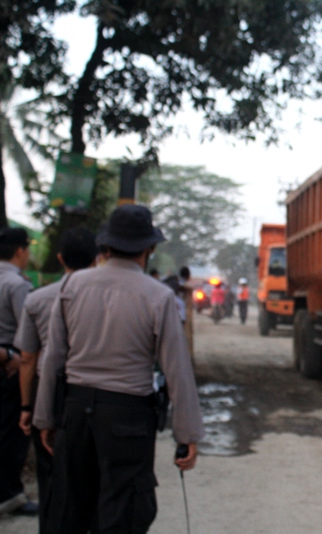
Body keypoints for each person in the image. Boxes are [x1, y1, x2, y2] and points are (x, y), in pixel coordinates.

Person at [32, 205, 204, 533]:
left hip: (75, 412)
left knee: (69, 507)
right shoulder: (158, 296)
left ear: (106, 246)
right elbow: (176, 370)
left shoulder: (72, 286)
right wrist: (187, 435)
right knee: (123, 511)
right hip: (128, 418)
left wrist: (45, 418)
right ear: (149, 248)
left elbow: (53, 357)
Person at [13, 227, 98, 529]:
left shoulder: (38, 299)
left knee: (51, 473)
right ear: (97, 258)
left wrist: (28, 407)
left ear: (60, 258)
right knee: (90, 473)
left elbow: (28, 358)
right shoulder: (104, 298)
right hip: (89, 393)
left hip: (46, 391)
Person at [0, 228, 36, 516]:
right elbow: (29, 330)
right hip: (12, 359)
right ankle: (9, 493)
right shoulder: (17, 284)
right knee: (13, 429)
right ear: (19, 251)